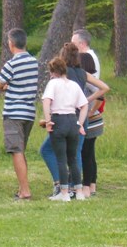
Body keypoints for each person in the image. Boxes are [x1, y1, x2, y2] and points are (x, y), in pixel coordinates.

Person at [39, 42, 108, 197]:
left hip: (64, 116)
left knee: (48, 150)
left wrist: (48, 118)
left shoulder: (64, 74)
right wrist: (87, 99)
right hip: (82, 118)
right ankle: (75, 188)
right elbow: (104, 87)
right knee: (75, 152)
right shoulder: (83, 73)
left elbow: (51, 98)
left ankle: (61, 185)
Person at [0, 28, 39, 200]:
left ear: (10, 44)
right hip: (29, 112)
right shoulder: (34, 62)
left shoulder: (12, 64)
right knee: (22, 150)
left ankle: (25, 191)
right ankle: (22, 188)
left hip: (13, 112)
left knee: (16, 151)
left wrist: (7, 86)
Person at [41, 57, 89, 202]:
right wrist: (80, 123)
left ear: (53, 71)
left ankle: (64, 192)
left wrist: (48, 120)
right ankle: (79, 191)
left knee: (61, 159)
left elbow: (47, 101)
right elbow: (84, 104)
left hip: (59, 120)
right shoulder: (74, 85)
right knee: (73, 158)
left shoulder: (53, 83)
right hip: (72, 120)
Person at [80, 52, 105, 197]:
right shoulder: (89, 78)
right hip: (95, 121)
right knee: (90, 154)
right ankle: (92, 184)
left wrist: (91, 111)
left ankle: (86, 185)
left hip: (91, 121)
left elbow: (101, 96)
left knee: (86, 154)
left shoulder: (88, 79)